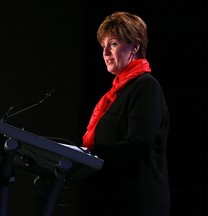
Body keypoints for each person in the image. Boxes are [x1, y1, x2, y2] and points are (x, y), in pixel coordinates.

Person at [79, 11, 170, 216]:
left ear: (134, 46)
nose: (105, 52)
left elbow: (138, 142)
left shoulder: (146, 86)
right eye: (103, 46)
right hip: (112, 198)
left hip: (136, 202)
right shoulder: (115, 94)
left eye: (113, 43)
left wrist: (91, 160)